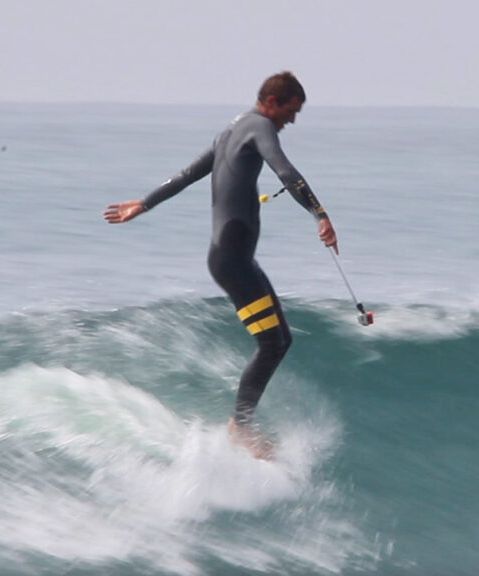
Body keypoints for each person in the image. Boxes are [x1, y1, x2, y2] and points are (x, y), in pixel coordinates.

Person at [103, 71, 336, 459]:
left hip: (230, 258)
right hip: (232, 259)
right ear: (273, 101)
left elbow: (185, 175)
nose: (292, 120)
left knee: (276, 341)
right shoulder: (260, 127)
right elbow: (285, 171)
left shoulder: (231, 131)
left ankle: (240, 425)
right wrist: (320, 214)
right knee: (274, 342)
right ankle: (240, 427)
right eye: (291, 111)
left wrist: (143, 203)